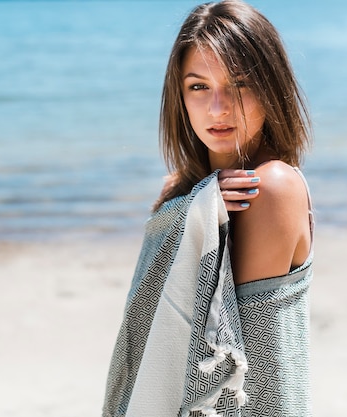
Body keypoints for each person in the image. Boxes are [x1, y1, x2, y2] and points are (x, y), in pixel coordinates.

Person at [103, 1, 313, 416]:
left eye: (238, 85)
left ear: (272, 88)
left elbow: (229, 354)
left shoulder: (269, 189)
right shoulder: (187, 190)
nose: (218, 108)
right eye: (199, 87)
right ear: (178, 96)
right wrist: (192, 206)